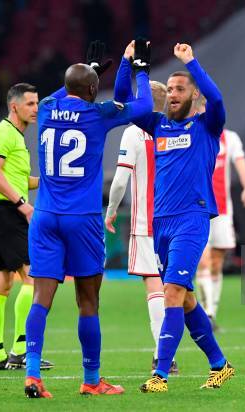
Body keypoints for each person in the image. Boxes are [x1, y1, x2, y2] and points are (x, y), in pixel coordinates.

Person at [24, 39, 154, 399]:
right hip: (82, 219)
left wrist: (90, 70)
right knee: (88, 301)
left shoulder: (48, 107)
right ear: (94, 91)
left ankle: (33, 374)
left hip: (46, 215)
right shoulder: (98, 114)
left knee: (41, 298)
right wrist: (140, 71)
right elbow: (143, 105)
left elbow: (66, 89)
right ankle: (91, 379)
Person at [114, 42, 235, 392]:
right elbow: (125, 100)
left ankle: (160, 375)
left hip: (191, 221)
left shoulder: (207, 126)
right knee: (185, 299)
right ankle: (220, 365)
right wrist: (133, 66)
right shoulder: (158, 126)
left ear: (193, 95)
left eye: (180, 89)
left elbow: (219, 100)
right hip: (161, 224)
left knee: (171, 293)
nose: (173, 95)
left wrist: (191, 63)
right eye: (170, 90)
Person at [105, 74, 178, 374]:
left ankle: (164, 356)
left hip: (146, 221)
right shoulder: (176, 130)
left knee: (153, 285)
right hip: (178, 221)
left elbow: (121, 180)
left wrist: (110, 211)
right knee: (176, 287)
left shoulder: (134, 133)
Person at [0, 83, 54, 371]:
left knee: (1, 285)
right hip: (6, 214)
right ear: (15, 106)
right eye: (31, 104)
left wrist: (48, 180)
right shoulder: (3, 133)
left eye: (37, 104)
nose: (36, 109)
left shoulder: (15, 137)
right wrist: (23, 204)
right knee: (34, 279)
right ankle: (21, 350)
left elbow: (15, 178)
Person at [194, 97, 245, 330]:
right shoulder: (194, 134)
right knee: (203, 262)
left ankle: (211, 312)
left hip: (222, 211)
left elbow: (242, 167)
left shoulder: (230, 139)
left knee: (217, 262)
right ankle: (206, 316)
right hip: (198, 210)